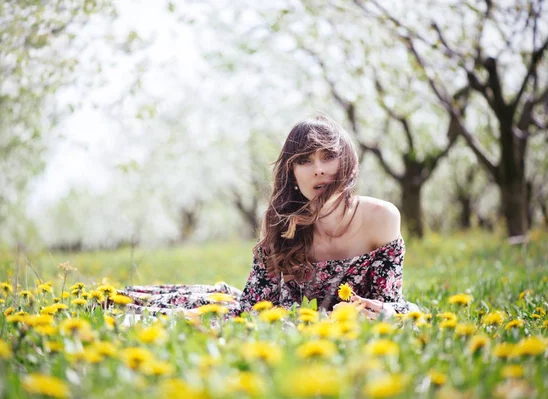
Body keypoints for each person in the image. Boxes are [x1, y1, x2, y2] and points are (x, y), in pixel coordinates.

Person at [118, 114, 418, 319]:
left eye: (328, 156)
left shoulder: (381, 216)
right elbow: (254, 306)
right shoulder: (281, 221)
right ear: (292, 172)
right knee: (152, 310)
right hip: (282, 322)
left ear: (346, 161)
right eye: (304, 160)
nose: (318, 169)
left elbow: (389, 305)